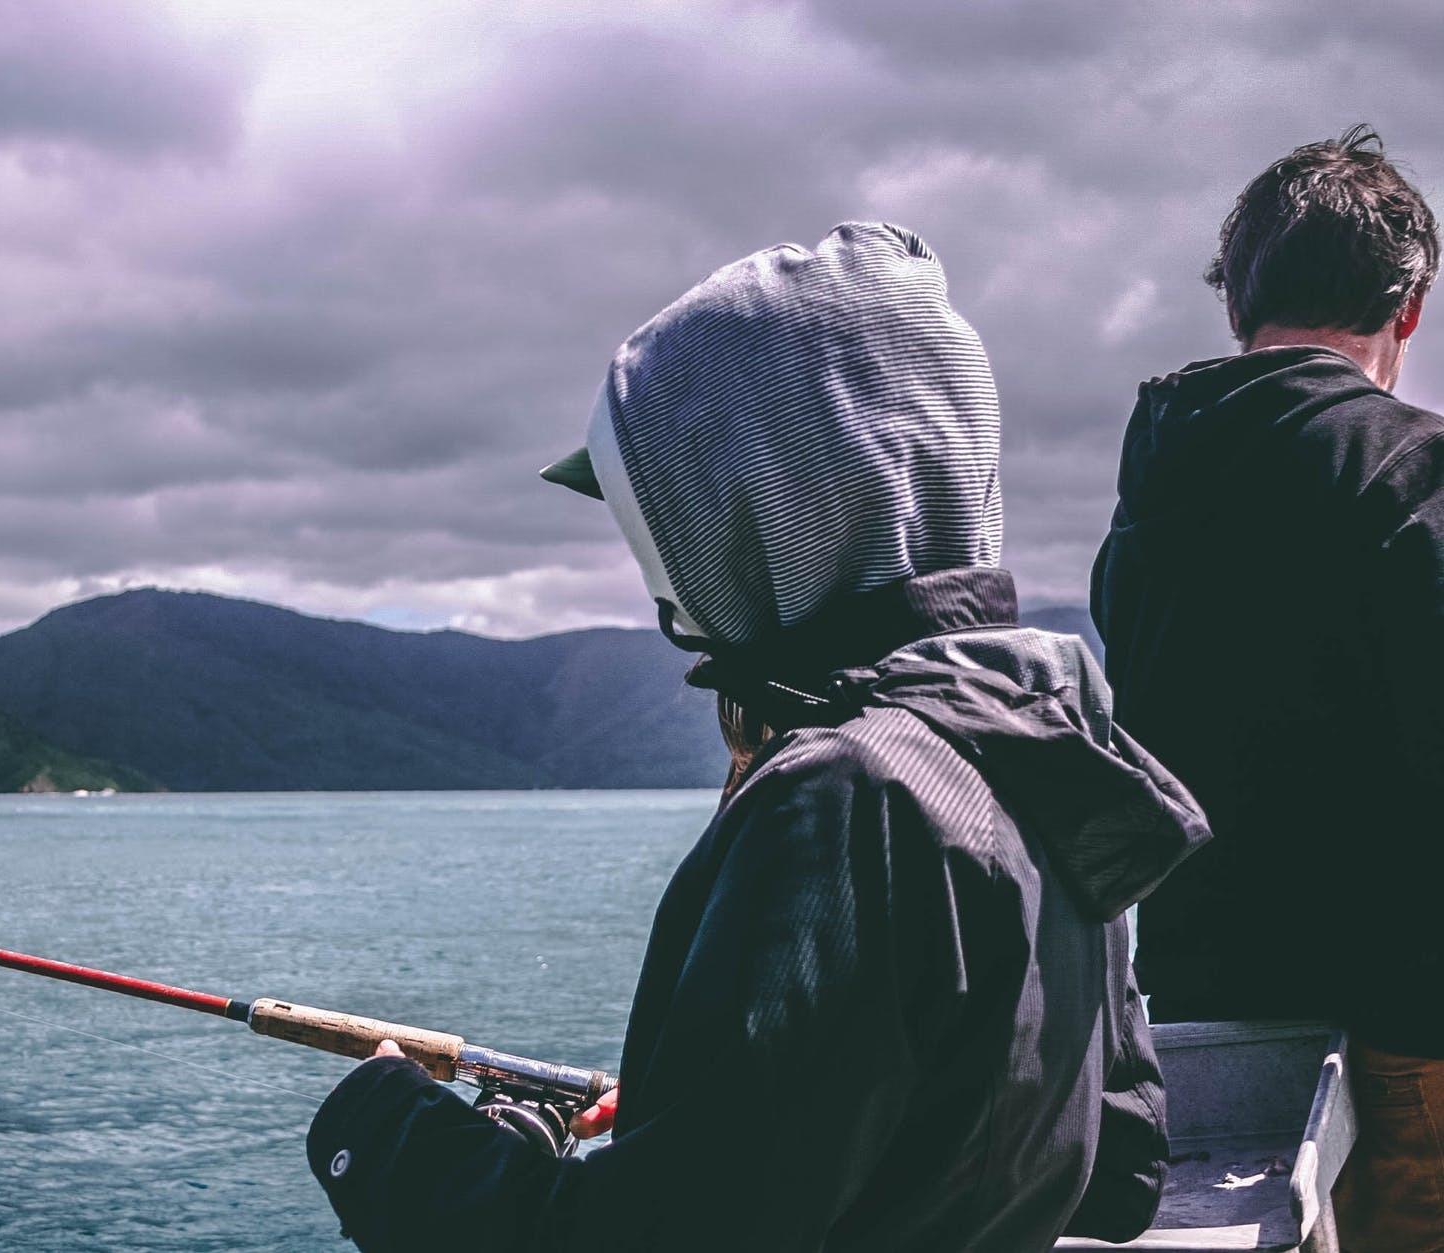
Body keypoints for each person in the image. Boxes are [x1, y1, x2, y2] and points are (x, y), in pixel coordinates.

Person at [306, 223, 1208, 1252]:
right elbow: (1120, 1166)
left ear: (745, 505)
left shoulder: (842, 797)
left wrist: (376, 1125)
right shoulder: (1037, 731)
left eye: (657, 511)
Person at [1091, 126, 1444, 1250]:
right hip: (1402, 1031)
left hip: (1200, 1033)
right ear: (1407, 308)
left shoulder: (1145, 506)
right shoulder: (1411, 474)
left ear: (1239, 305)